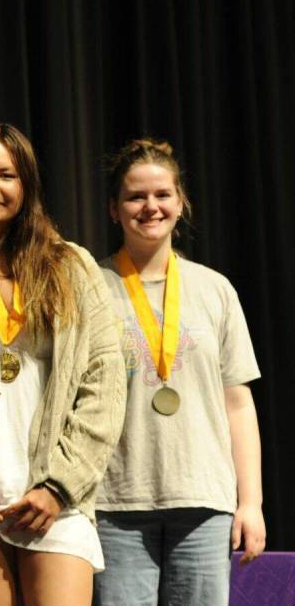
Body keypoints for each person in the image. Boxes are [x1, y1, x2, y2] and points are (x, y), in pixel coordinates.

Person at [0, 123, 125, 606]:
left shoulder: (71, 265)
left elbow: (104, 384)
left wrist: (59, 487)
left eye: (7, 174)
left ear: (27, 185)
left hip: (53, 496)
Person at [93, 138, 265, 606]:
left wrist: (250, 503)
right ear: (114, 209)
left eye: (162, 195)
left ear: (180, 202)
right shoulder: (90, 285)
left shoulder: (215, 289)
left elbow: (238, 404)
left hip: (203, 500)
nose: (150, 207)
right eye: (135, 197)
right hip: (115, 503)